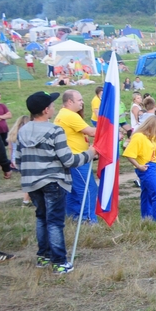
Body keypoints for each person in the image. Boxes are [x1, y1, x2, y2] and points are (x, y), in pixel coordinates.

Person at [16, 91, 96, 274]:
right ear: (46, 110)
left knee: (41, 218)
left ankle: (43, 257)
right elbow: (68, 160)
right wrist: (90, 153)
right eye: (51, 105)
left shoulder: (23, 130)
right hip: (53, 182)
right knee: (54, 222)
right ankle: (59, 262)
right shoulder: (54, 130)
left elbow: (19, 160)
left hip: (32, 183)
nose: (54, 107)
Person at [53, 89, 98, 222]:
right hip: (77, 159)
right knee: (88, 189)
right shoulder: (70, 115)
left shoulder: (64, 114)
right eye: (79, 100)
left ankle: (74, 217)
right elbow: (91, 131)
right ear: (69, 101)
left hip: (70, 158)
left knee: (72, 190)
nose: (82, 103)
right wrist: (110, 129)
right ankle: (88, 219)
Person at [123, 116, 156, 221]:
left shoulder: (149, 138)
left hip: (151, 165)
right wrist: (139, 166)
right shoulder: (139, 137)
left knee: (146, 194)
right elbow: (129, 154)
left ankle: (146, 219)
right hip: (146, 167)